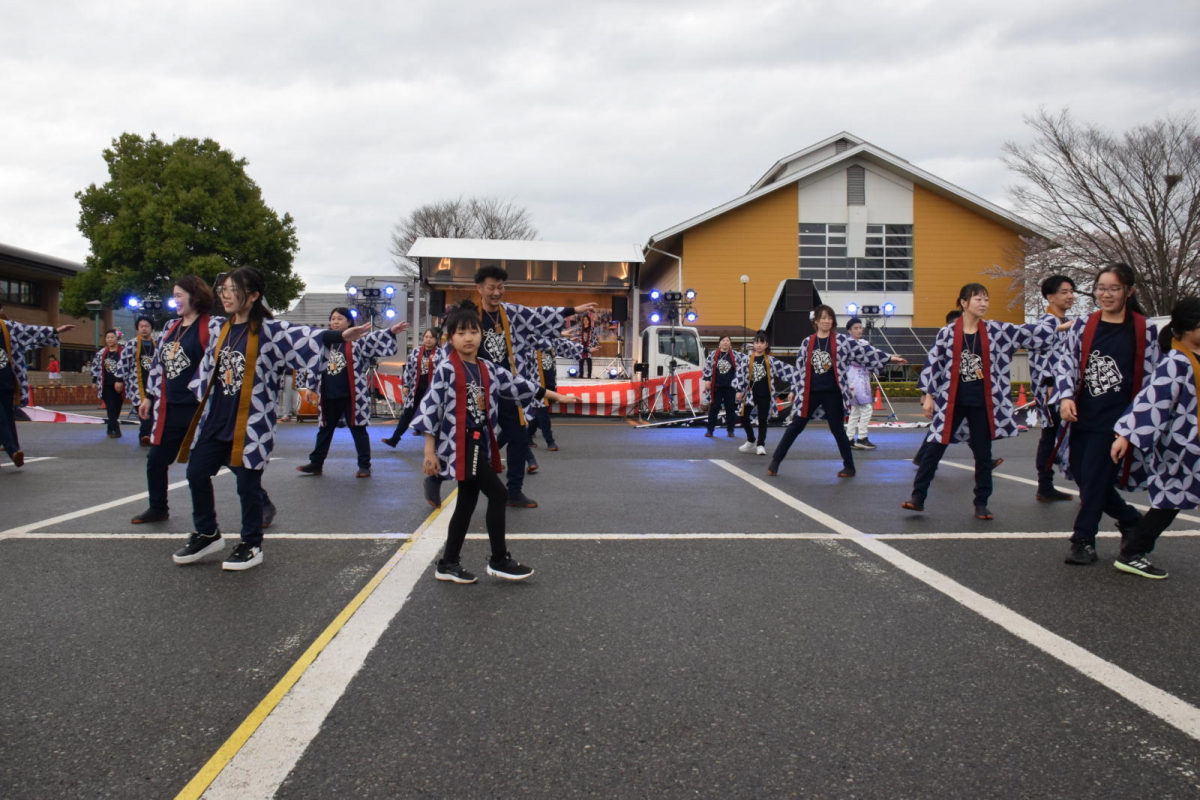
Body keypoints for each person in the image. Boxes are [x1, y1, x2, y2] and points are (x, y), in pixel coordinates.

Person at [172, 268, 372, 571]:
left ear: (253, 296)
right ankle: (207, 532)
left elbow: (302, 337)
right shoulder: (219, 328)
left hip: (251, 420)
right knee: (197, 473)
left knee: (247, 484)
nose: (225, 295)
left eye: (233, 289)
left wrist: (338, 335)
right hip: (217, 417)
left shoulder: (268, 330)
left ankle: (251, 544)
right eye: (222, 289)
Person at [412, 300, 577, 584]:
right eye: (461, 332)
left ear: (481, 336)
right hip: (462, 444)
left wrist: (557, 396)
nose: (468, 338)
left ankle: (448, 563)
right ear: (450, 338)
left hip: (479, 443)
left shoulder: (487, 367)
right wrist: (429, 452)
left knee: (466, 502)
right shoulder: (447, 369)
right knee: (499, 495)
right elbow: (430, 409)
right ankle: (499, 560)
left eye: (474, 332)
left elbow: (518, 384)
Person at [903, 284, 1057, 520]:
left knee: (984, 455)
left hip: (984, 403)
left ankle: (981, 503)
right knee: (933, 449)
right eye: (978, 299)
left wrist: (1059, 324)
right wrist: (929, 396)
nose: (983, 303)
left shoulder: (997, 330)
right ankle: (918, 497)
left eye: (986, 299)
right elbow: (933, 365)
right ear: (964, 303)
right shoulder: (947, 333)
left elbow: (1031, 333)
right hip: (951, 402)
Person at [1055, 263, 1159, 565]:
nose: (1106, 294)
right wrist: (1064, 396)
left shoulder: (1146, 330)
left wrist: (1135, 425)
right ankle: (1129, 519)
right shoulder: (1084, 325)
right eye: (1101, 288)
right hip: (1082, 416)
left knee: (1096, 476)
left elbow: (1154, 380)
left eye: (1114, 288)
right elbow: (1066, 364)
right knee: (1087, 478)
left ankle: (1083, 539)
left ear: (1129, 291)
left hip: (1119, 422)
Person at [472, 264, 597, 508]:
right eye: (491, 287)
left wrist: (571, 310)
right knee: (466, 439)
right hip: (478, 387)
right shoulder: (471, 315)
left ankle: (514, 491)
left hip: (510, 386)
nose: (497, 292)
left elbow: (539, 315)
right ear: (479, 288)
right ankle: (435, 480)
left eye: (501, 287)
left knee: (519, 436)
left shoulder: (513, 314)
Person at [1109, 298, 1200, 580]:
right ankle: (1133, 551)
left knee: (1172, 500)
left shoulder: (1190, 357)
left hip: (1190, 441)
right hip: (1181, 444)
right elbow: (1153, 400)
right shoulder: (1176, 360)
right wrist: (1127, 433)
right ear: (1190, 327)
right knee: (1171, 500)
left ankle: (1134, 549)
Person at [769, 306, 906, 478]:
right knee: (795, 426)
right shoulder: (807, 342)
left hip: (833, 392)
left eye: (830, 318)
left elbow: (864, 352)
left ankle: (849, 467)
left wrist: (889, 358)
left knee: (838, 429)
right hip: (811, 392)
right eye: (823, 318)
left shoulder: (842, 340)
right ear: (816, 320)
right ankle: (775, 461)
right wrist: (796, 390)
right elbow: (800, 369)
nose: (826, 321)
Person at [131, 277, 221, 525]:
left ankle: (262, 502)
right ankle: (158, 508)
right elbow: (159, 365)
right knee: (156, 459)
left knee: (221, 460)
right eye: (174, 295)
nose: (175, 300)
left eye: (179, 295)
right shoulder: (171, 326)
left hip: (200, 409)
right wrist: (148, 397)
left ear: (195, 296)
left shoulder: (213, 326)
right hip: (171, 407)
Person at [296, 307, 409, 478]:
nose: (335, 322)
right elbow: (313, 365)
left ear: (349, 322)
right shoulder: (324, 342)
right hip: (329, 393)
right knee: (324, 430)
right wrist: (311, 388)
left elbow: (374, 339)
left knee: (358, 429)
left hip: (353, 395)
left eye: (339, 319)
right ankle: (316, 463)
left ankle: (364, 466)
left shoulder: (357, 340)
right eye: (332, 318)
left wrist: (391, 331)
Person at [0, 312, 74, 467]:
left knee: (7, 414)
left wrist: (56, 330)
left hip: (7, 379)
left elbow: (30, 330)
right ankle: (13, 450)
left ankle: (15, 449)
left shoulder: (7, 327)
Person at [1030, 275, 1076, 502]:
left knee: (1059, 436)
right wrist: (1049, 387)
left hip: (1066, 391)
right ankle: (1045, 484)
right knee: (1052, 436)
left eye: (1071, 291)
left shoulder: (1067, 323)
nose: (1070, 296)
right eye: (1064, 292)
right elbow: (1042, 361)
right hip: (1052, 391)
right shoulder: (1044, 325)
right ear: (1050, 297)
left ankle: (1047, 485)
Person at [381, 326, 443, 449]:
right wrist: (406, 385)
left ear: (436, 339)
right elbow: (408, 369)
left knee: (435, 416)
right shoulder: (416, 351)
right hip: (416, 388)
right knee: (407, 415)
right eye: (426, 337)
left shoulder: (441, 353)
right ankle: (394, 439)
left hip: (433, 390)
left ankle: (437, 445)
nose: (428, 339)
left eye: (431, 337)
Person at [736, 331, 795, 455]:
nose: (759, 345)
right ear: (753, 344)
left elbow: (788, 370)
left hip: (765, 394)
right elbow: (740, 375)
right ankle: (751, 439)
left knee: (763, 420)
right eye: (756, 342)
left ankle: (761, 444)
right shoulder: (747, 360)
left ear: (766, 345)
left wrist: (796, 382)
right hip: (750, 394)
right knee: (743, 417)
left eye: (762, 342)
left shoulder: (771, 360)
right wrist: (738, 390)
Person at [528, 334, 583, 452]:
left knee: (541, 412)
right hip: (537, 382)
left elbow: (565, 346)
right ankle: (550, 441)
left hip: (550, 381)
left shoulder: (552, 340)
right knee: (543, 413)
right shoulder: (531, 341)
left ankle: (528, 435)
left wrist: (586, 349)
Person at [118, 315, 158, 446]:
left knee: (153, 412)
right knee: (143, 411)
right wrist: (119, 379)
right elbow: (123, 362)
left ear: (151, 329)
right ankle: (145, 436)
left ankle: (148, 435)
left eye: (147, 326)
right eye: (141, 326)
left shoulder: (157, 344)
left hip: (155, 384)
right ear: (137, 329)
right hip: (137, 384)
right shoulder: (131, 344)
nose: (144, 329)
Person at [703, 335, 745, 438]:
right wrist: (707, 379)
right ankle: (710, 430)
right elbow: (707, 367)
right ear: (719, 343)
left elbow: (741, 370)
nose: (725, 342)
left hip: (730, 386)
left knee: (730, 409)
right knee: (714, 408)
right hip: (717, 386)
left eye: (727, 341)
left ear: (730, 343)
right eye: (723, 340)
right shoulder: (713, 354)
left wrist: (739, 388)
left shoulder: (736, 355)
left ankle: (730, 430)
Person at [844, 318, 876, 450]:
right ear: (849, 331)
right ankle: (862, 437)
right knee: (866, 408)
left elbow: (875, 354)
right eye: (855, 328)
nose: (859, 330)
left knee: (855, 411)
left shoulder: (863, 342)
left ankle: (849, 438)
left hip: (863, 379)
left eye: (860, 327)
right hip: (853, 380)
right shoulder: (848, 343)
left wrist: (889, 356)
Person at [91, 329, 124, 438]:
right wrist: (94, 381)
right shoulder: (101, 353)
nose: (109, 339)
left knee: (117, 407)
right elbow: (95, 367)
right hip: (105, 384)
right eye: (107, 337)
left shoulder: (123, 352)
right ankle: (116, 429)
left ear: (117, 338)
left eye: (112, 337)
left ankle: (110, 428)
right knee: (110, 407)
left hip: (120, 384)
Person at [576, 313, 597, 379]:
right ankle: (581, 375)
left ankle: (589, 375)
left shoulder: (592, 329)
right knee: (581, 361)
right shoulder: (580, 329)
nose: (585, 321)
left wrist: (593, 346)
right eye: (584, 320)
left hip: (589, 347)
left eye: (586, 320)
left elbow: (595, 338)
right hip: (581, 346)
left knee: (589, 361)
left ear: (589, 321)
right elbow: (576, 337)